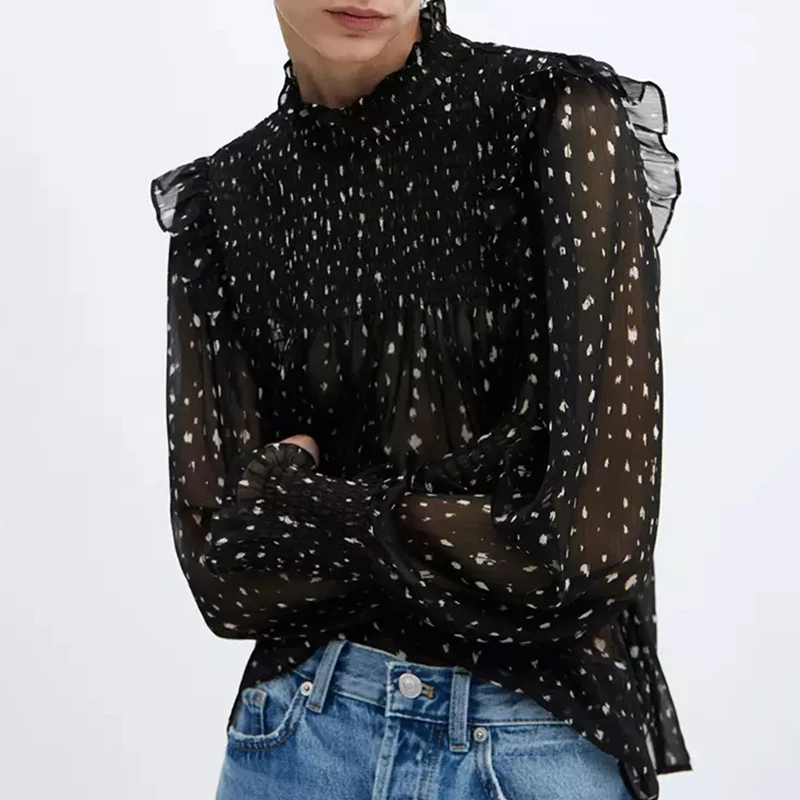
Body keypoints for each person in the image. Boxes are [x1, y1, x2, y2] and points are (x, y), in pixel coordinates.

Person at [149, 1, 691, 798]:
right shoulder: (225, 201)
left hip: (530, 743)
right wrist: (475, 522)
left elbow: (588, 551)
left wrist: (303, 503)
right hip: (300, 734)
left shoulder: (554, 114)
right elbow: (223, 579)